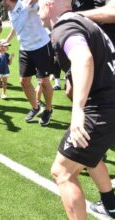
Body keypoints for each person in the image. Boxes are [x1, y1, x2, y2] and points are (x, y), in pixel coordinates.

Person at [37, 0, 115, 219]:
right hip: (108, 105)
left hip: (101, 108)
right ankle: (111, 203)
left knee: (62, 172)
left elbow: (83, 58)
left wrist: (78, 111)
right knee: (90, 156)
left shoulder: (65, 25)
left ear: (50, 4)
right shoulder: (84, 23)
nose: (38, 9)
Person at [1, 0, 55, 126]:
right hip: (25, 49)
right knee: (24, 82)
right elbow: (15, 26)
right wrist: (7, 40)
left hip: (41, 46)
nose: (1, 2)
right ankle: (36, 107)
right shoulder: (10, 10)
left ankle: (48, 109)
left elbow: (44, 7)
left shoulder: (28, 4)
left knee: (44, 82)